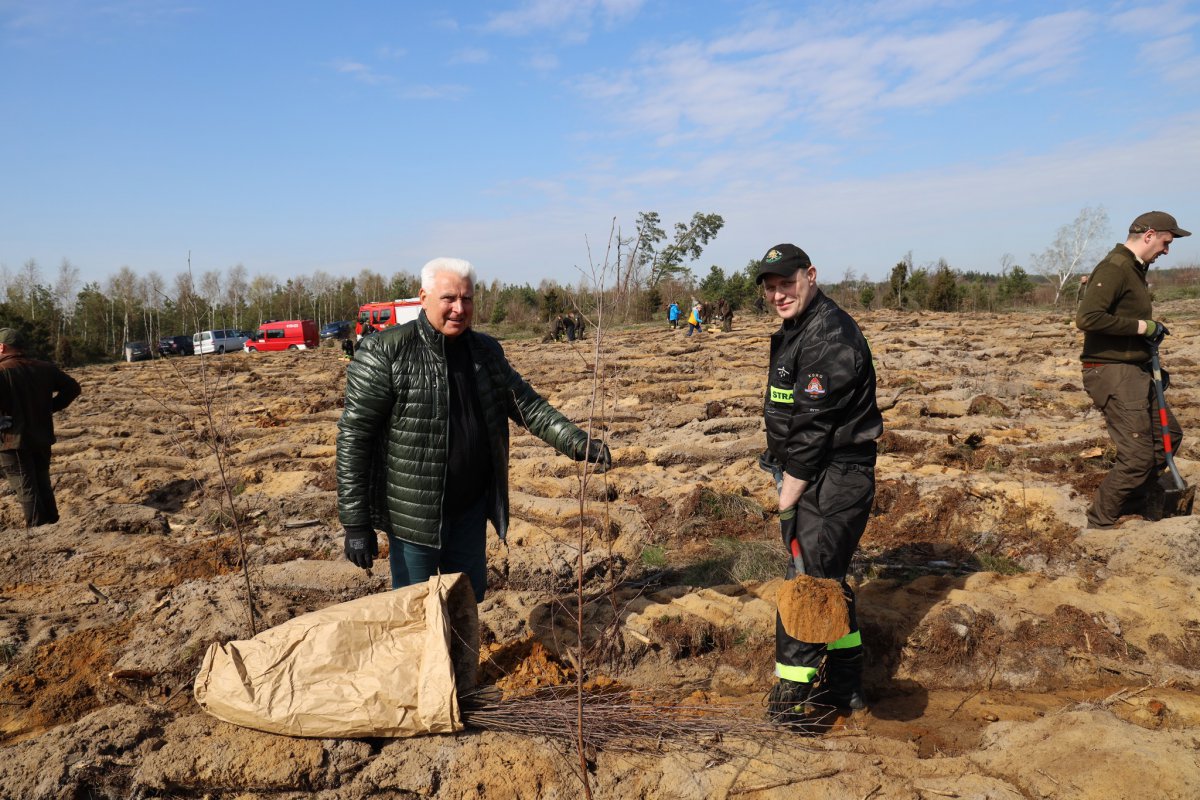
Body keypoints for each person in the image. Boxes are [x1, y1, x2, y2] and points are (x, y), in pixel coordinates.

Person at [336, 257, 612, 602]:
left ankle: (463, 657)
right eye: (448, 298)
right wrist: (356, 523)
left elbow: (526, 404)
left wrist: (575, 441)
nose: (458, 308)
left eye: (466, 299)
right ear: (423, 298)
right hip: (413, 520)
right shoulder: (386, 351)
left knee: (467, 600)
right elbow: (354, 438)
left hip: (469, 511)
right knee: (416, 609)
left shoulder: (486, 351)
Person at [755, 243, 882, 724]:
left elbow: (814, 425)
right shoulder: (798, 329)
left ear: (810, 275)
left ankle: (794, 703)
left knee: (805, 586)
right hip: (815, 475)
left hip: (833, 478)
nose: (778, 294)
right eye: (770, 288)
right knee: (826, 580)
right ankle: (846, 688)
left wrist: (790, 487)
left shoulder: (830, 336)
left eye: (786, 283)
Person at [1076, 210, 1191, 529]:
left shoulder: (1135, 269)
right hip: (1112, 371)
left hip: (1135, 369)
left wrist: (1147, 343)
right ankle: (1101, 521)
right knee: (1138, 455)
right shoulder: (1115, 267)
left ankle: (1133, 507)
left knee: (1169, 435)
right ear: (1149, 235)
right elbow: (1088, 318)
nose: (1167, 251)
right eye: (1166, 243)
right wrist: (1143, 327)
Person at [0, 328, 82, 527]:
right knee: (42, 482)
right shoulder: (45, 367)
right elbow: (73, 388)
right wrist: (50, 407)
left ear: (2, 347)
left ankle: (38, 530)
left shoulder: (2, 371)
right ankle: (53, 524)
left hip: (13, 440)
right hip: (42, 437)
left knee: (25, 485)